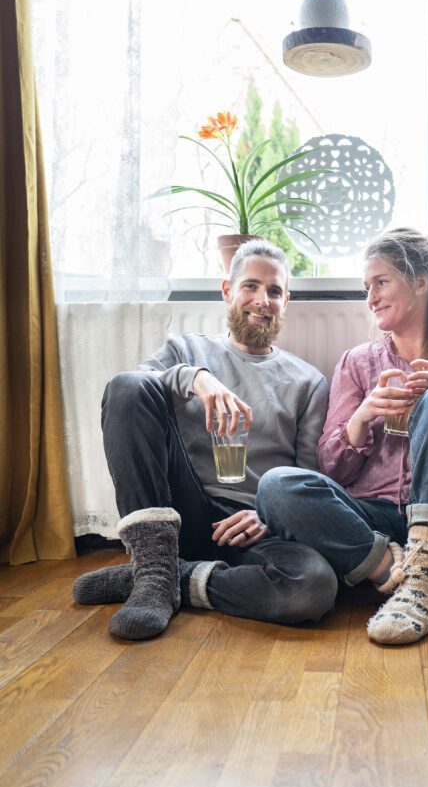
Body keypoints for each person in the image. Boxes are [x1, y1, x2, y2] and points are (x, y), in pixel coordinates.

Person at [256, 217, 428, 646]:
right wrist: (361, 418)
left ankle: (420, 574)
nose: (371, 298)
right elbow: (331, 469)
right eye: (366, 288)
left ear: (420, 283)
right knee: (276, 487)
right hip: (373, 525)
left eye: (380, 283)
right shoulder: (357, 363)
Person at [72, 239, 337, 639]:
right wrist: (195, 378)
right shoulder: (187, 349)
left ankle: (161, 577)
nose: (262, 300)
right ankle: (155, 562)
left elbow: (306, 477)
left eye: (274, 291)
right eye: (250, 286)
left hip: (252, 525)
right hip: (180, 510)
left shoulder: (308, 382)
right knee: (127, 386)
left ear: (286, 301)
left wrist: (269, 516)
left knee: (314, 587)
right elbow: (131, 392)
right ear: (228, 291)